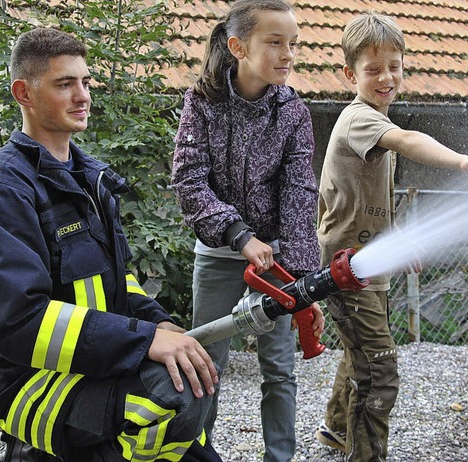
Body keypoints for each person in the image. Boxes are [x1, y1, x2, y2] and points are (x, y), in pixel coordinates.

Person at [0, 27, 223, 462]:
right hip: (28, 380)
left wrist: (159, 324)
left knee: (195, 379)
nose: (83, 96)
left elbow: (119, 284)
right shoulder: (0, 188)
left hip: (95, 360)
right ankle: (35, 449)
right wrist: (142, 340)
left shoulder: (89, 178)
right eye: (64, 84)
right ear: (24, 93)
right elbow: (19, 322)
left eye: (86, 82)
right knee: (173, 397)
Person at [314, 11, 468, 462]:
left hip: (368, 263)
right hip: (346, 269)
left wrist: (399, 240)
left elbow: (375, 197)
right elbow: (406, 140)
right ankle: (365, 455)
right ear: (350, 74)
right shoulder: (359, 120)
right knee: (379, 367)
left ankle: (335, 431)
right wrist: (463, 164)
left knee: (360, 353)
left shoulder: (374, 122)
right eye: (373, 69)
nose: (386, 77)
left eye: (394, 67)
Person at [171, 1, 324, 461]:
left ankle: (279, 458)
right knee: (206, 367)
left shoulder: (292, 111)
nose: (288, 54)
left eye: (292, 44)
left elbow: (300, 194)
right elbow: (188, 180)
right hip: (218, 256)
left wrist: (303, 285)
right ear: (238, 46)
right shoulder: (202, 103)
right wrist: (239, 235)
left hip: (275, 262)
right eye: (275, 42)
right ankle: (200, 454)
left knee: (279, 370)